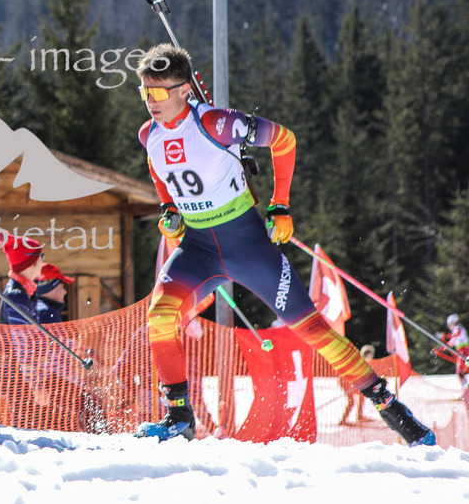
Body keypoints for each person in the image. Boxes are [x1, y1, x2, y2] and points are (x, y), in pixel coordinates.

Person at [132, 43, 435, 446]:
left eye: (157, 92)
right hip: (199, 248)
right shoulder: (148, 134)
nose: (150, 102)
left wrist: (280, 205)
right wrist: (169, 208)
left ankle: (392, 409)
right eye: (143, 92)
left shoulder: (217, 124)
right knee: (159, 317)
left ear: (185, 90)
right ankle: (178, 416)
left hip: (248, 246)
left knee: (313, 331)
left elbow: (284, 139)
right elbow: (159, 171)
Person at [0, 232, 45, 325]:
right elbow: (23, 337)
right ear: (31, 263)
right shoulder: (16, 295)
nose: (42, 261)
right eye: (41, 256)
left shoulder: (25, 292)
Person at [339, 345, 376, 425]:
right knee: (351, 401)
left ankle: (359, 415)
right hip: (345, 381)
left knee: (362, 395)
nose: (371, 357)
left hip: (350, 382)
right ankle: (343, 420)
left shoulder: (364, 362)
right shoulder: (360, 362)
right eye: (369, 355)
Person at [441, 314, 469, 388]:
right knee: (460, 373)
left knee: (460, 371)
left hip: (465, 352)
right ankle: (465, 387)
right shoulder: (456, 329)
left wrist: (446, 335)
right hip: (462, 353)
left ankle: (466, 386)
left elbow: (456, 334)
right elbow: (451, 343)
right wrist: (441, 348)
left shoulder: (458, 327)